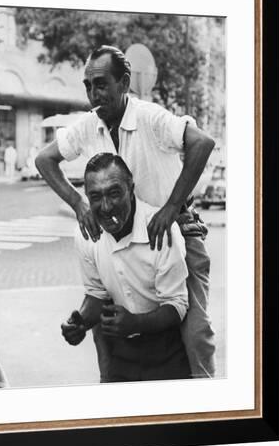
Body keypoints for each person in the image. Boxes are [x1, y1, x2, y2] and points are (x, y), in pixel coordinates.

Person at [36, 45, 216, 378]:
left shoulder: (149, 116)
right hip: (117, 237)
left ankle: (205, 413)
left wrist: (172, 206)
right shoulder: (89, 125)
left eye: (101, 84)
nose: (93, 94)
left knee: (194, 334)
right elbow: (44, 159)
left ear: (125, 83)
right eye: (88, 86)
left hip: (170, 231)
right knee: (104, 330)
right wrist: (78, 204)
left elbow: (201, 143)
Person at [61, 153, 191, 382]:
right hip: (120, 353)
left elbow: (177, 306)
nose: (106, 206)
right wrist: (80, 323)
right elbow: (96, 294)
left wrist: (136, 323)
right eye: (95, 197)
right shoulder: (86, 236)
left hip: (167, 353)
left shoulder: (161, 229)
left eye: (114, 193)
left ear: (131, 189)